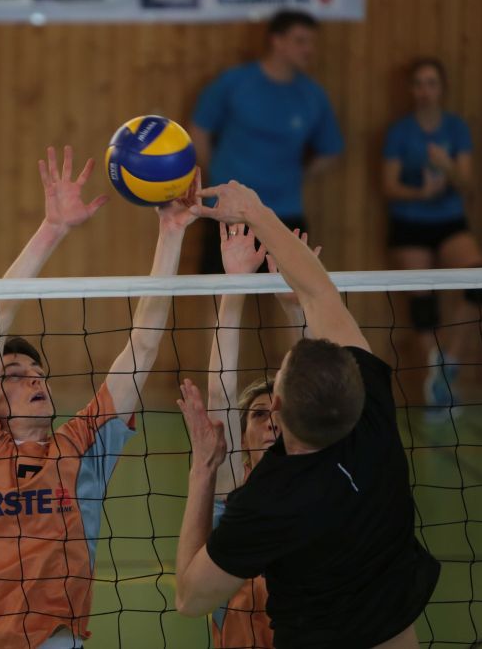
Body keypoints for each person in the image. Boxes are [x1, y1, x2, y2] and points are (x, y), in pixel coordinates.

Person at [0, 146, 198, 649]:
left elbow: (143, 346)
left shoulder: (83, 445)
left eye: (39, 374)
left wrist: (171, 233)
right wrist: (52, 229)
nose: (35, 381)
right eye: (16, 375)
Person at [174, 181, 441, 648]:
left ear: (279, 413)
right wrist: (258, 217)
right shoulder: (372, 419)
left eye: (269, 403)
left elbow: (190, 598)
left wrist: (202, 470)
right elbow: (321, 294)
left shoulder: (264, 501)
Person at [207, 223, 318, 649]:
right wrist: (235, 286)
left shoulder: (316, 479)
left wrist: (296, 306)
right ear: (241, 435)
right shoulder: (231, 488)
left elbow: (314, 383)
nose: (271, 421)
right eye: (258, 414)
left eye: (279, 413)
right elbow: (220, 391)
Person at [188, 9, 343, 274]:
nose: (309, 49)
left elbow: (331, 150)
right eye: (300, 41)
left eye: (312, 42)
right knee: (218, 290)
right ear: (277, 41)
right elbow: (199, 131)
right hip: (229, 211)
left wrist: (297, 175)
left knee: (292, 290)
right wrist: (218, 176)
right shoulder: (235, 82)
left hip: (284, 212)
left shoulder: (312, 95)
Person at [381, 58, 482, 410]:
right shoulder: (400, 131)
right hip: (409, 223)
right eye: (419, 83)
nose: (425, 91)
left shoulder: (456, 128)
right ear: (411, 89)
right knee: (423, 303)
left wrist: (447, 166)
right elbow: (389, 186)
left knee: (480, 282)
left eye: (431, 83)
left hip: (449, 221)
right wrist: (421, 193)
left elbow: (468, 184)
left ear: (442, 88)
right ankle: (435, 377)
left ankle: (449, 361)